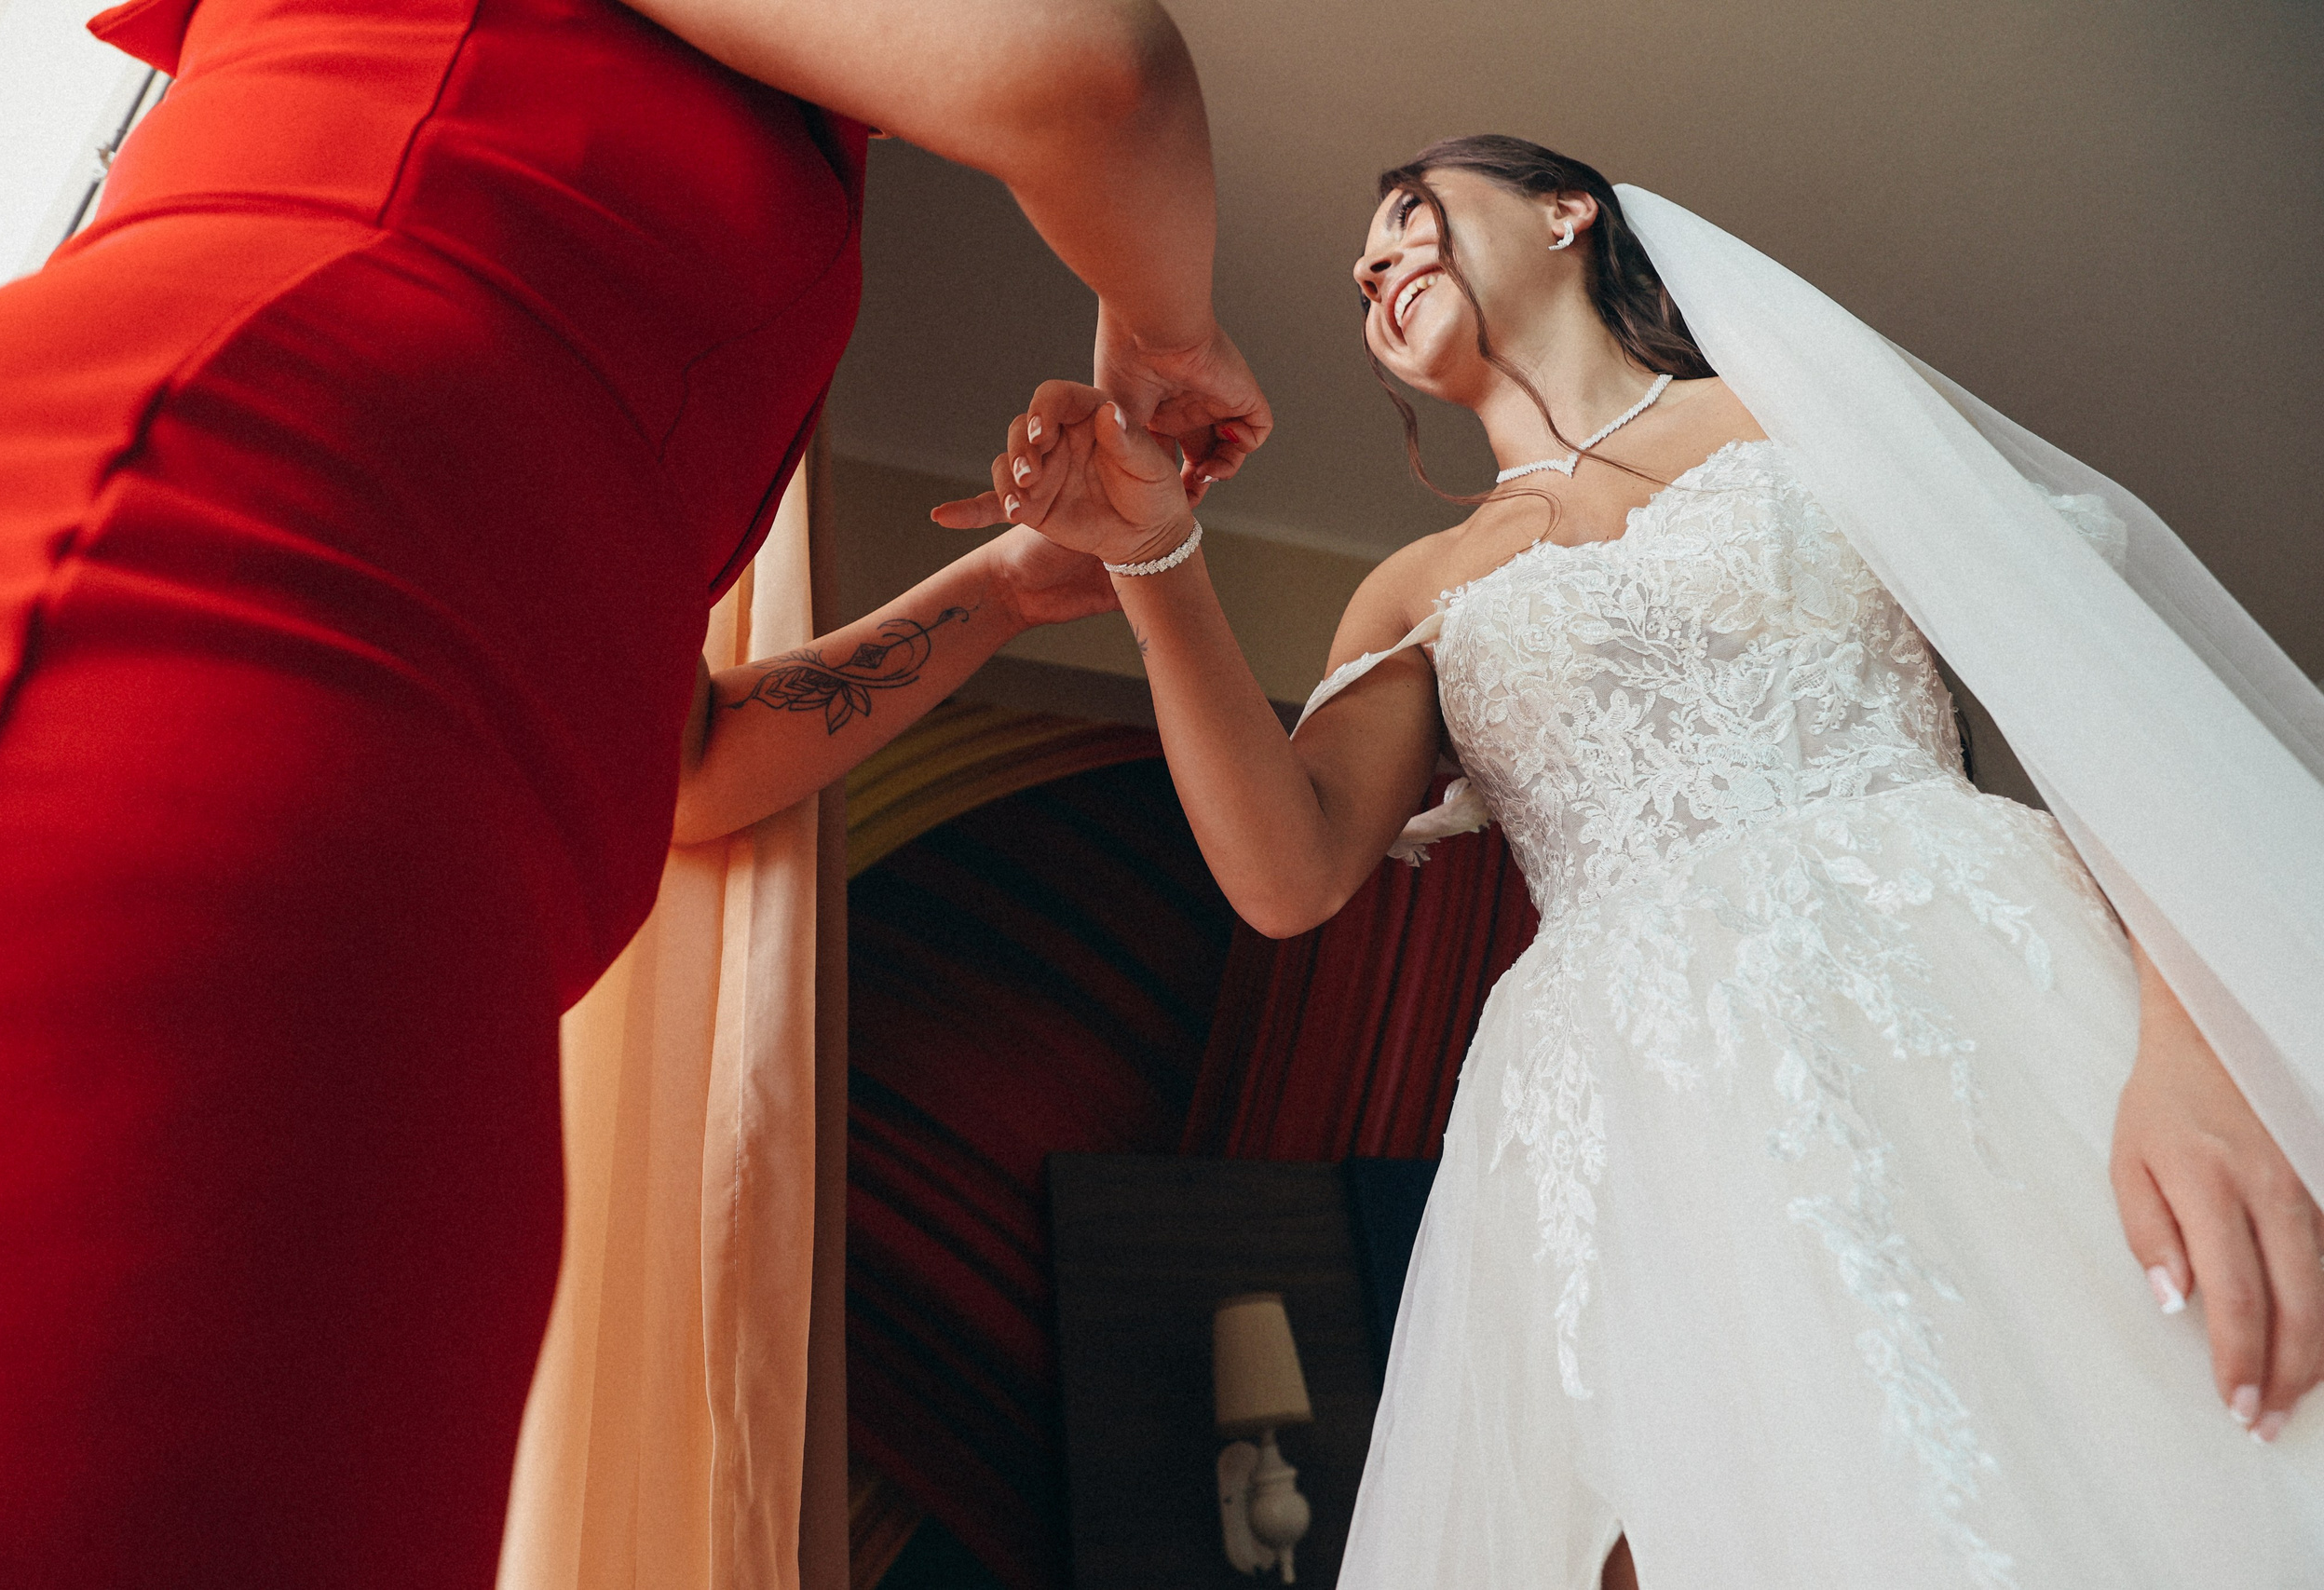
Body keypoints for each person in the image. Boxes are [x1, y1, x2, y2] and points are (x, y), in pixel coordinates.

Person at [0, 0, 1267, 1583]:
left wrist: (1001, 587)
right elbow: (1100, 86)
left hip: (430, 864)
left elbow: (683, 769)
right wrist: (1164, 344)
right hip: (202, 594)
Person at [939, 136, 2324, 1586]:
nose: (1372, 264)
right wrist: (1157, 563)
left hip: (1980, 1000)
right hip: (1659, 1121)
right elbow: (1288, 876)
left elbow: (2108, 708)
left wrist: (2199, 1053)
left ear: (1566, 211)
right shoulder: (1417, 588)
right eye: (1363, 268)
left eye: (1410, 216)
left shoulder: (1806, 415)